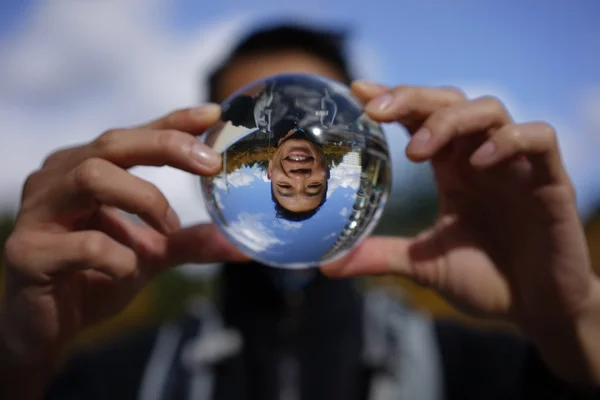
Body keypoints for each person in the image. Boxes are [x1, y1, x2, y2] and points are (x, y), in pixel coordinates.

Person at [1, 22, 599, 400]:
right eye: (253, 137)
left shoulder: (471, 370)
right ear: (207, 157)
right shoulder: (124, 378)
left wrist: (572, 322)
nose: (294, 155)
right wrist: (21, 363)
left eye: (319, 131)